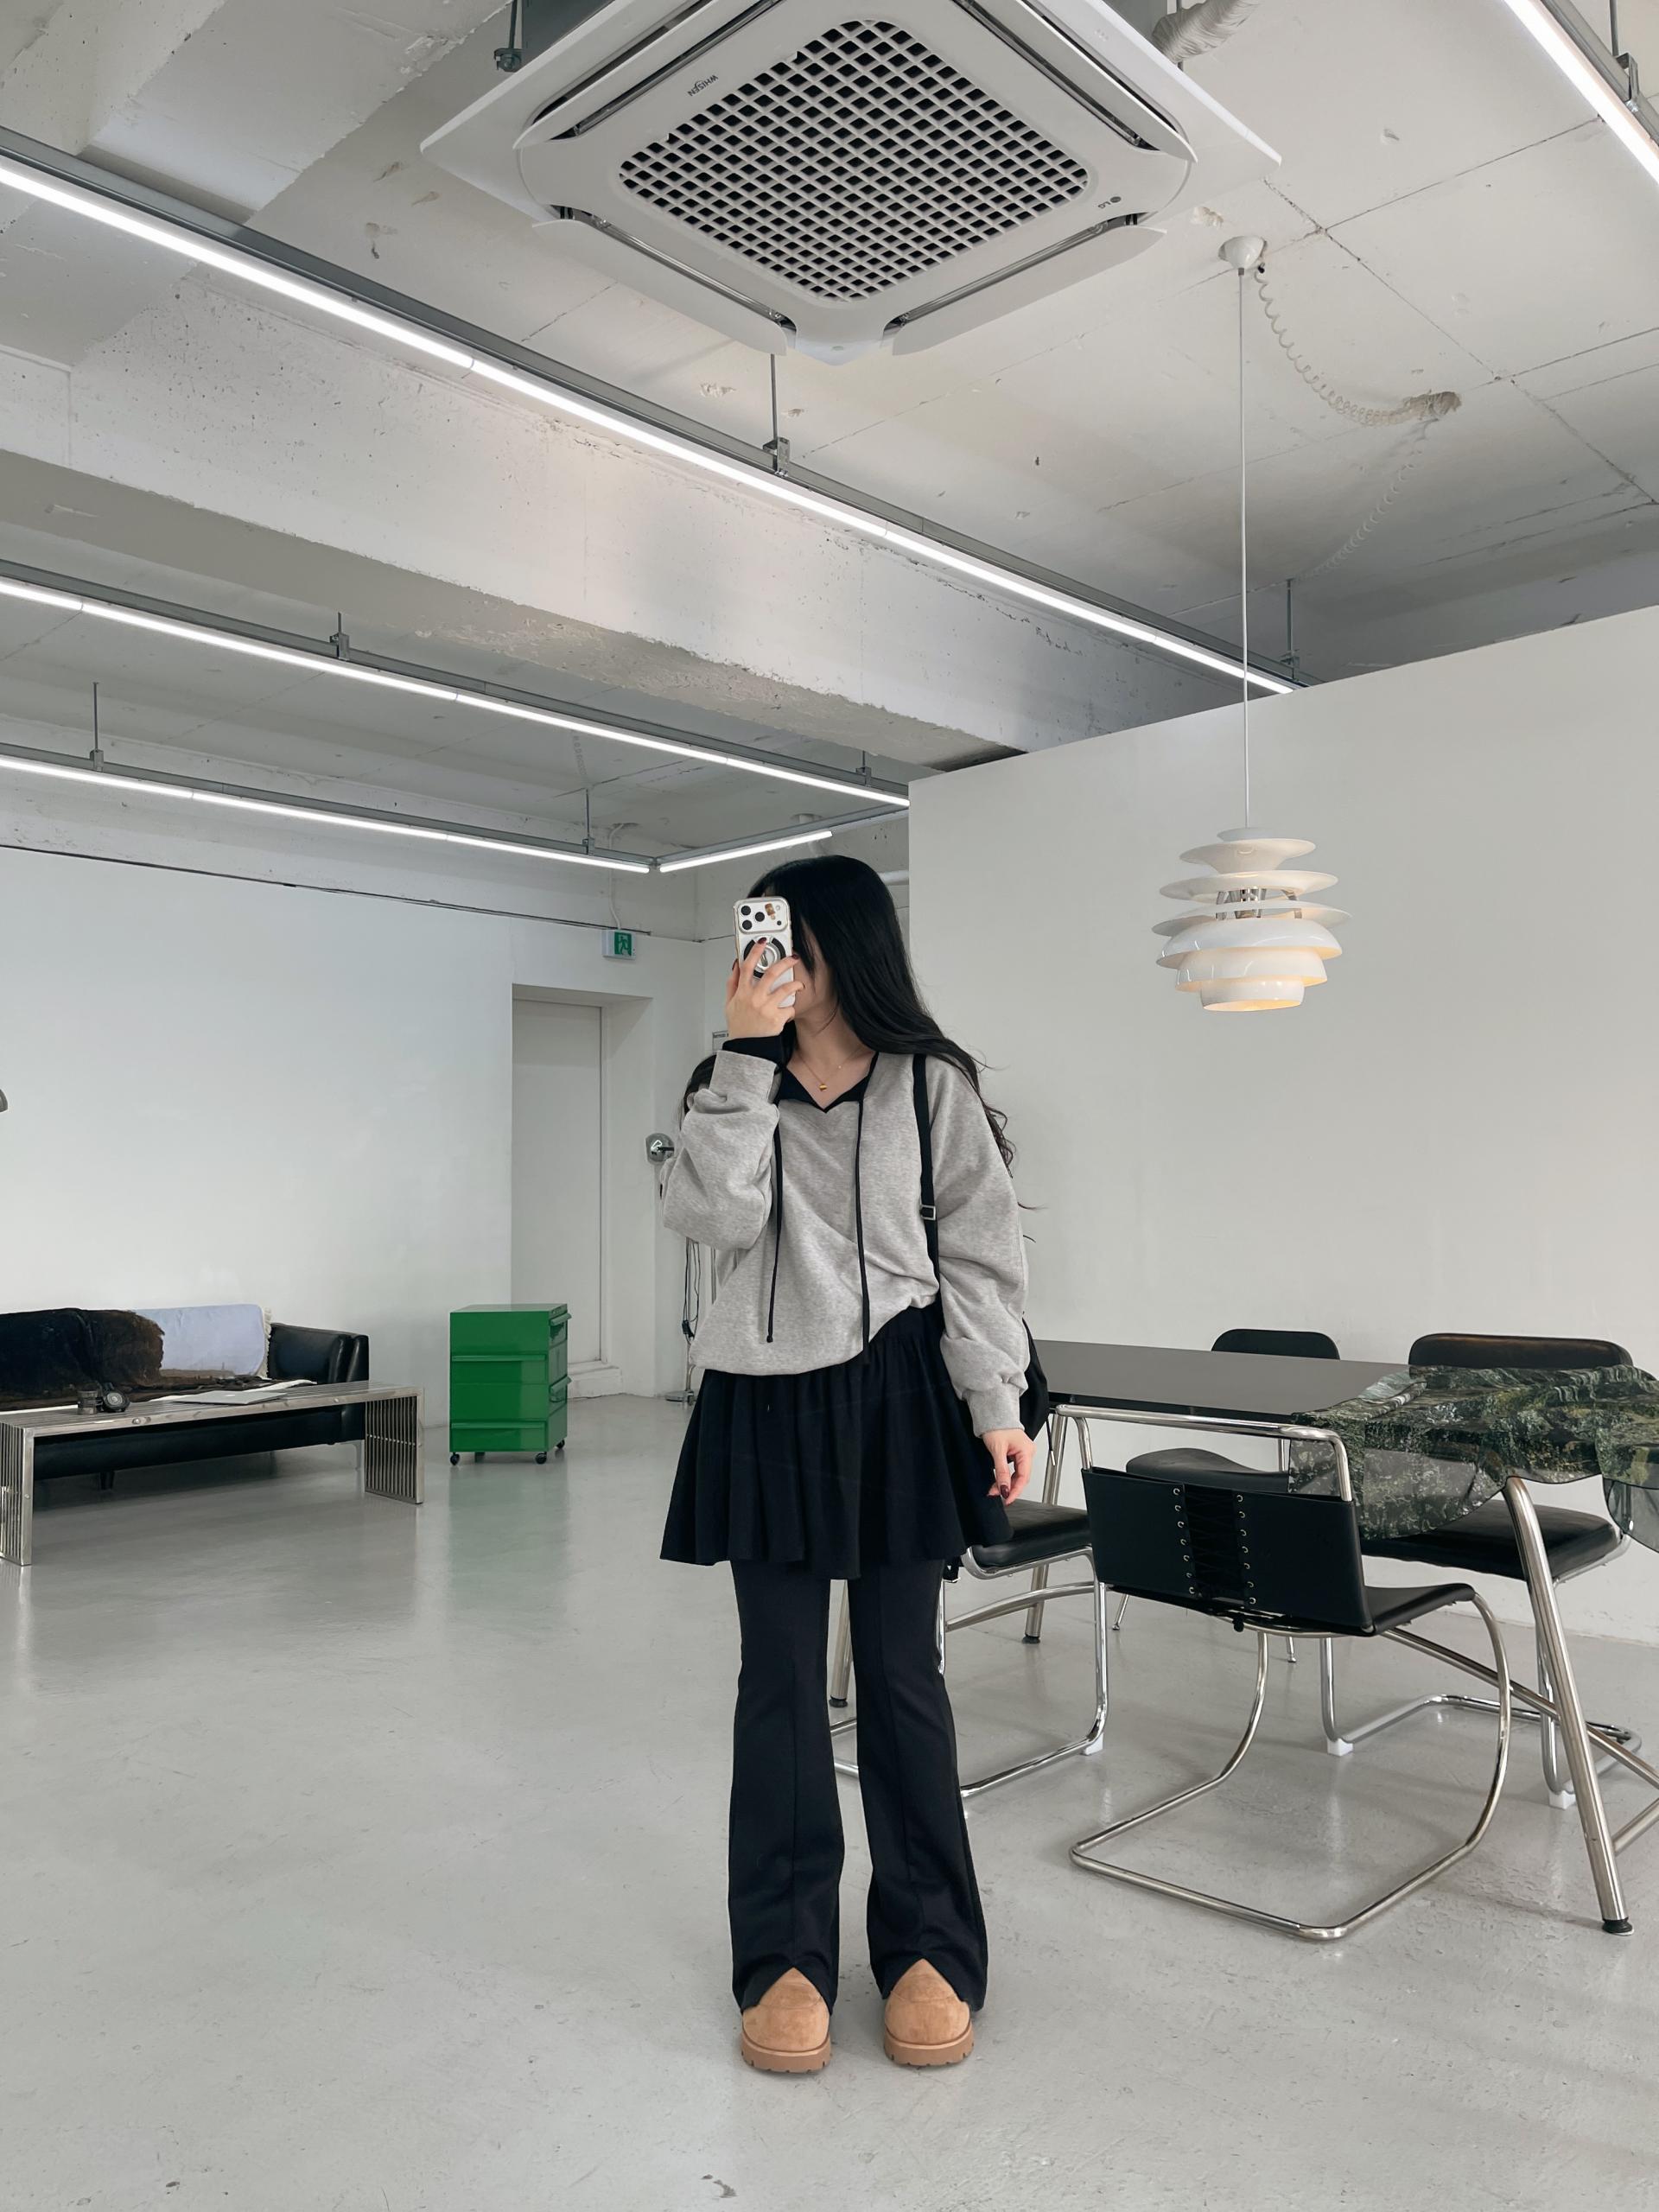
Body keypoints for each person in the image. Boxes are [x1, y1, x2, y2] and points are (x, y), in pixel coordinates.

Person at [659, 854, 1035, 2075]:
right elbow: (710, 1221)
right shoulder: (730, 1080)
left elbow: (980, 1256)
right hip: (764, 1403)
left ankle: (930, 1947)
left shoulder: (931, 1085)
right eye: (761, 936)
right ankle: (783, 1956)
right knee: (777, 1686)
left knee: (901, 1678)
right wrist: (742, 1055)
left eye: (792, 937)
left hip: (897, 1398)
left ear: (847, 945)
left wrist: (994, 1403)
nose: (772, 957)